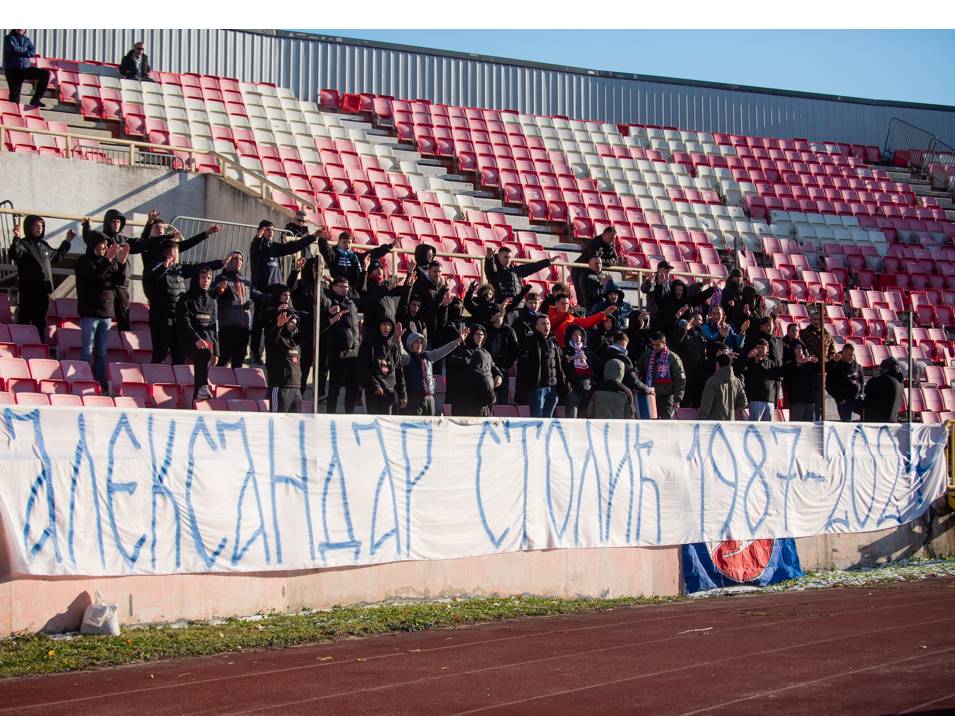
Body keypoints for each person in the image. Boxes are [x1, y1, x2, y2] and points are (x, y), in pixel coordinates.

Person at [145, 236, 224, 364]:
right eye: (177, 250)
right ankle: (156, 379)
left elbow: (197, 268)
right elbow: (150, 280)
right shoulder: (155, 266)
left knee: (179, 353)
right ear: (170, 252)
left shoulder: (179, 268)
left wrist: (219, 263)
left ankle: (177, 381)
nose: (179, 253)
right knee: (160, 352)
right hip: (162, 316)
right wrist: (164, 268)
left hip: (178, 316)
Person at [248, 220, 318, 363]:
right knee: (258, 323)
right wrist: (258, 237)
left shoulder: (275, 247)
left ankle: (273, 353)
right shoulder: (256, 248)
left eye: (272, 229)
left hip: (276, 292)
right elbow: (255, 246)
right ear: (261, 231)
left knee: (275, 324)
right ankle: (256, 354)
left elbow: (292, 247)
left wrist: (312, 237)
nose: (271, 231)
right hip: (262, 293)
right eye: (267, 229)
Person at [75, 232, 128, 392]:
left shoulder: (109, 262)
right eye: (102, 245)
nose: (105, 248)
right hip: (90, 312)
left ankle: (100, 383)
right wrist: (108, 260)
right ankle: (83, 381)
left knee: (101, 353)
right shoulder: (84, 261)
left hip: (106, 313)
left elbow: (120, 281)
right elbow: (95, 276)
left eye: (106, 246)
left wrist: (122, 263)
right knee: (87, 351)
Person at [9, 215, 73, 340]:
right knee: (25, 320)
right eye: (36, 226)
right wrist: (16, 237)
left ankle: (39, 347)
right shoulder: (23, 243)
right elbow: (14, 253)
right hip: (28, 290)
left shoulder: (43, 245)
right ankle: (22, 347)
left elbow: (57, 257)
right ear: (29, 227)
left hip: (43, 291)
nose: (39, 228)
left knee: (40, 322)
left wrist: (67, 241)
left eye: (41, 226)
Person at [401, 327, 469, 416]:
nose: (420, 345)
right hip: (414, 400)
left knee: (430, 427)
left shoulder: (428, 356)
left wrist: (459, 340)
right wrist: (397, 339)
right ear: (410, 344)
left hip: (430, 399)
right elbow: (400, 350)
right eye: (416, 342)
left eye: (421, 342)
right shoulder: (407, 358)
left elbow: (444, 349)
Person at [176, 266, 219, 403]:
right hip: (189, 342)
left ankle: (198, 395)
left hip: (206, 343)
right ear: (196, 278)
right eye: (202, 277)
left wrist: (216, 351)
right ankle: (204, 387)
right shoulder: (186, 299)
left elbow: (213, 327)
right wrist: (196, 339)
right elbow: (184, 323)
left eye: (208, 278)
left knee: (206, 356)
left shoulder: (212, 301)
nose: (206, 280)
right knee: (205, 354)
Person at [213, 251, 262, 369]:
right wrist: (219, 289)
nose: (239, 261)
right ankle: (219, 386)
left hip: (244, 327)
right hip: (228, 326)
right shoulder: (221, 278)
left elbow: (258, 295)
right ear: (229, 261)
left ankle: (236, 387)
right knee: (223, 359)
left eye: (240, 259)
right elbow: (213, 294)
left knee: (238, 361)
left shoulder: (246, 281)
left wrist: (275, 297)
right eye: (235, 259)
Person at [323, 276, 361, 414]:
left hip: (354, 352)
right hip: (337, 352)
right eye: (341, 286)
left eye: (346, 286)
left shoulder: (351, 302)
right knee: (334, 388)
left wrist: (357, 344)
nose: (345, 289)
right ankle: (330, 415)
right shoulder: (330, 301)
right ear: (333, 287)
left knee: (353, 387)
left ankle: (349, 415)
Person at [447, 324, 503, 417]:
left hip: (484, 402)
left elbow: (493, 367)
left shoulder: (486, 353)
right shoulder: (462, 350)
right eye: (477, 334)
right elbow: (452, 362)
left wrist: (499, 376)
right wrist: (472, 361)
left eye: (482, 335)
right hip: (466, 402)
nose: (480, 337)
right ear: (471, 335)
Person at [516, 315, 565, 418]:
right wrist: (522, 387)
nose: (546, 326)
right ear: (537, 327)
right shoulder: (530, 341)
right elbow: (522, 366)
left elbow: (559, 364)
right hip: (536, 387)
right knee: (537, 419)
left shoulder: (554, 342)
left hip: (552, 387)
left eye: (548, 323)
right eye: (543, 324)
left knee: (548, 420)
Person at [358, 317, 406, 415]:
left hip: (389, 395)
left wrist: (402, 394)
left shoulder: (394, 348)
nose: (387, 328)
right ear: (378, 326)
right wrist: (375, 386)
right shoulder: (368, 344)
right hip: (372, 392)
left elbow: (399, 373)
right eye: (384, 324)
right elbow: (362, 368)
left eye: (389, 325)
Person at [637, 331, 686, 419]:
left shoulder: (673, 358)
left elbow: (680, 380)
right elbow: (638, 371)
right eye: (653, 345)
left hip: (666, 397)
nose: (655, 347)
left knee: (665, 424)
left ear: (664, 343)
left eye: (657, 345)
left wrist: (677, 399)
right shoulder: (647, 355)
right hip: (650, 395)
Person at [265, 306, 304, 413]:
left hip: (296, 388)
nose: (293, 325)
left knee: (294, 426)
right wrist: (279, 325)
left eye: (295, 323)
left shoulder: (294, 340)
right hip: (280, 388)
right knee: (278, 423)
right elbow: (271, 338)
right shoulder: (275, 338)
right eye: (291, 322)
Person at [483, 246, 553, 303]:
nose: (508, 259)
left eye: (509, 257)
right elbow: (489, 267)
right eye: (505, 257)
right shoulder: (494, 271)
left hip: (518, 305)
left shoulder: (517, 270)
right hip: (501, 306)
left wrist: (547, 262)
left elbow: (533, 267)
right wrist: (489, 257)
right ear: (498, 256)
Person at [561, 325, 602, 418]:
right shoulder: (565, 351)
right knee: (572, 422)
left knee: (584, 422)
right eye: (575, 334)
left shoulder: (587, 351)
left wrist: (593, 383)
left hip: (587, 391)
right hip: (572, 392)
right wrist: (574, 357)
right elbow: (562, 366)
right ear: (569, 336)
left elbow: (600, 365)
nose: (578, 337)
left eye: (580, 335)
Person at [669, 310, 708, 409]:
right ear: (692, 320)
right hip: (687, 375)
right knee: (685, 404)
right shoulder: (683, 331)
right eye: (699, 320)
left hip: (699, 375)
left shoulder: (701, 334)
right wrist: (684, 331)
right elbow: (674, 343)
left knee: (697, 404)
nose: (701, 322)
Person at [547, 293, 617, 347]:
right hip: (557, 350)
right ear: (556, 304)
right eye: (563, 303)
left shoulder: (570, 317)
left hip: (570, 349)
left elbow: (586, 322)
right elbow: (553, 324)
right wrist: (566, 314)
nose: (565, 306)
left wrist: (603, 314)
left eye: (567, 304)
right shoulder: (549, 317)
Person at [736, 338, 780, 422]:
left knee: (767, 428)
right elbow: (737, 369)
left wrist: (775, 400)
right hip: (755, 399)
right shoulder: (750, 361)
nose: (760, 350)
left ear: (767, 350)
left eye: (762, 348)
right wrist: (748, 357)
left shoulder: (772, 363)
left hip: (769, 400)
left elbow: (776, 382)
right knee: (754, 427)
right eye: (758, 348)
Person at [3, 29, 50, 107]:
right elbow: (13, 49)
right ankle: (14, 114)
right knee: (14, 96)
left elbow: (33, 52)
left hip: (25, 69)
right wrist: (25, 50)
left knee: (45, 73)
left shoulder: (26, 40)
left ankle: (36, 99)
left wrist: (22, 51)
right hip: (12, 70)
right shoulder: (8, 38)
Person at [698, 353, 748, 421]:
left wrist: (699, 420)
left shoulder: (712, 381)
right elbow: (744, 402)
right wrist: (730, 408)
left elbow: (706, 406)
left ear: (717, 364)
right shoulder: (737, 381)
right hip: (730, 422)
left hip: (713, 423)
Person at [484, 310, 520, 405]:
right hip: (488, 368)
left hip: (503, 368)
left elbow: (515, 350)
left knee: (503, 397)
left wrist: (507, 365)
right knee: (489, 397)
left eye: (501, 312)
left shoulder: (509, 330)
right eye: (497, 312)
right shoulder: (487, 329)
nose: (499, 314)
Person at [781, 343, 820, 422]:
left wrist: (817, 361)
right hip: (796, 400)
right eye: (797, 348)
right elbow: (785, 375)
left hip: (809, 400)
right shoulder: (789, 364)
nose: (799, 350)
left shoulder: (809, 364)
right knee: (795, 426)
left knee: (809, 427)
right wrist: (797, 363)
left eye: (801, 348)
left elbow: (822, 369)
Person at [826, 344, 864, 422]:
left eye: (853, 355)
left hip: (857, 399)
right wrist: (839, 398)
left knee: (867, 414)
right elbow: (829, 386)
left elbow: (861, 380)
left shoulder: (856, 366)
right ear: (843, 353)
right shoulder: (836, 367)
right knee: (846, 424)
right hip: (844, 402)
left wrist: (861, 393)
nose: (852, 357)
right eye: (850, 355)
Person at [863, 358, 904, 423]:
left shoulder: (880, 381)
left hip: (877, 422)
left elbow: (867, 390)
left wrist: (875, 377)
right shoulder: (900, 383)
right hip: (892, 422)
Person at [639, 260, 674, 328]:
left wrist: (663, 284)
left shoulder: (670, 284)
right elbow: (644, 289)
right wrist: (650, 281)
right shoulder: (652, 281)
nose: (667, 272)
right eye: (665, 270)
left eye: (668, 271)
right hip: (653, 316)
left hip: (666, 317)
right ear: (658, 270)